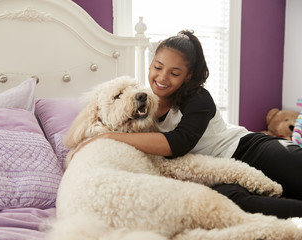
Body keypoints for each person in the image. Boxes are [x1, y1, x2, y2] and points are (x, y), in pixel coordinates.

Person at [79, 30, 302, 219]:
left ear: (188, 76)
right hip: (215, 173)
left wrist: (108, 138)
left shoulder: (198, 98)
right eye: (157, 67)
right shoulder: (141, 100)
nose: (162, 77)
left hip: (249, 149)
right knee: (230, 203)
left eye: (174, 73)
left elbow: (179, 143)